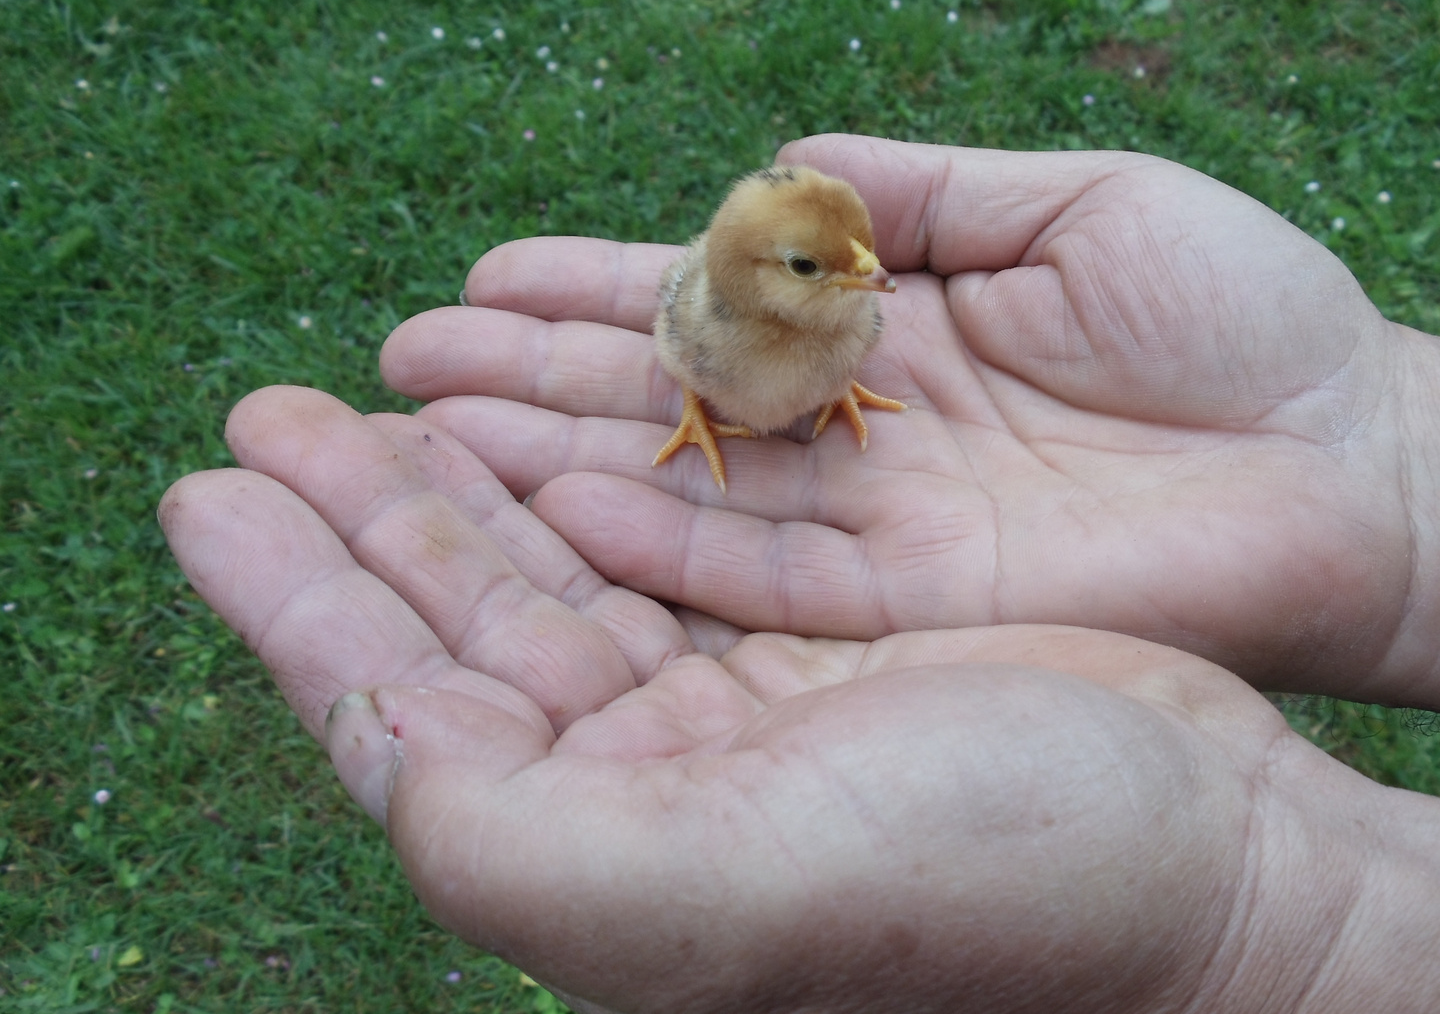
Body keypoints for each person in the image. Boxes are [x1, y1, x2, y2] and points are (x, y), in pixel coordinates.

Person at [159, 135, 1440, 1013]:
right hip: (738, 369)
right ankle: (721, 420)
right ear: (759, 278)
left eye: (860, 255)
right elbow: (701, 321)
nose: (874, 276)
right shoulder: (713, 319)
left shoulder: (846, 302)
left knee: (836, 362)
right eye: (829, 269)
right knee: (739, 384)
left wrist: (1271, 924)